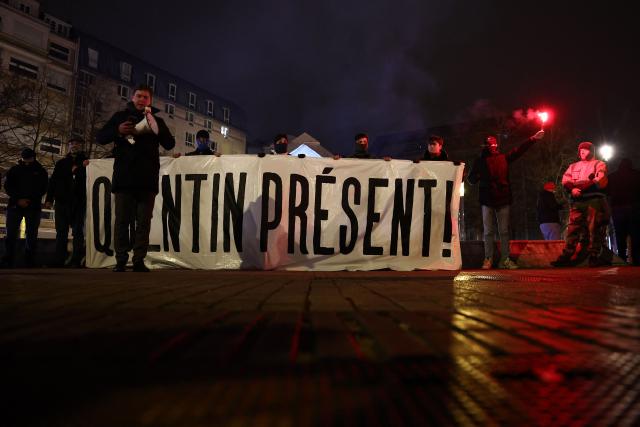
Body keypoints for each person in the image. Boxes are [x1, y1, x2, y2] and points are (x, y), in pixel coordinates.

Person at [96, 84, 175, 272]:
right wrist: (118, 131)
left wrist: (154, 124)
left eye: (145, 97)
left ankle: (139, 260)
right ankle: (121, 260)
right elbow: (100, 137)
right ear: (132, 98)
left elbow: (169, 143)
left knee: (143, 223)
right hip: (124, 179)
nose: (141, 100)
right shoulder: (119, 118)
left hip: (147, 180)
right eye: (139, 96)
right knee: (122, 221)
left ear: (150, 101)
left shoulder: (157, 120)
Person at [467, 130, 545, 269]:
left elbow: (518, 151)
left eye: (493, 144)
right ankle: (488, 259)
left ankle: (505, 260)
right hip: (487, 200)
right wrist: (478, 175)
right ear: (485, 146)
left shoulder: (503, 158)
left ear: (496, 145)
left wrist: (533, 138)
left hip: (503, 198)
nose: (492, 146)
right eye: (489, 144)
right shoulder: (479, 161)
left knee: (503, 231)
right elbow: (471, 180)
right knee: (488, 231)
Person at [552, 141, 609, 267]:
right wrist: (572, 189)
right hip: (577, 202)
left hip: (593, 201)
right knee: (572, 228)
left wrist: (579, 189)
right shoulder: (573, 166)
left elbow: (599, 179)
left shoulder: (599, 164)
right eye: (580, 150)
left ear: (591, 151)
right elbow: (565, 180)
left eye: (585, 149)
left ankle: (594, 256)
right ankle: (566, 255)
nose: (582, 151)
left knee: (594, 228)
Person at [44, 138, 90, 267]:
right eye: (71, 144)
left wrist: (80, 169)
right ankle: (59, 260)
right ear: (68, 146)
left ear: (81, 146)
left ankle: (76, 260)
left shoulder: (88, 162)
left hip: (78, 201)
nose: (74, 145)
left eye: (77, 143)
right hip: (62, 201)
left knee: (78, 232)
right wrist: (49, 199)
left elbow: (89, 179)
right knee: (61, 231)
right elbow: (53, 182)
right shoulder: (61, 163)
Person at [0, 148, 48, 268]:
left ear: (33, 157)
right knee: (11, 233)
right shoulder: (14, 170)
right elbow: (8, 186)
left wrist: (28, 200)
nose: (26, 161)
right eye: (24, 158)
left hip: (33, 206)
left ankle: (29, 261)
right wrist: (18, 200)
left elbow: (43, 188)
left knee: (31, 235)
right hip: (15, 205)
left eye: (28, 158)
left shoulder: (41, 171)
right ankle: (8, 259)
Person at [605, 158, 640, 264]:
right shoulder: (637, 175)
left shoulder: (612, 177)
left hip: (618, 208)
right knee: (636, 235)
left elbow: (607, 192)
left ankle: (622, 259)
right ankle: (637, 259)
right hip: (635, 208)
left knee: (620, 235)